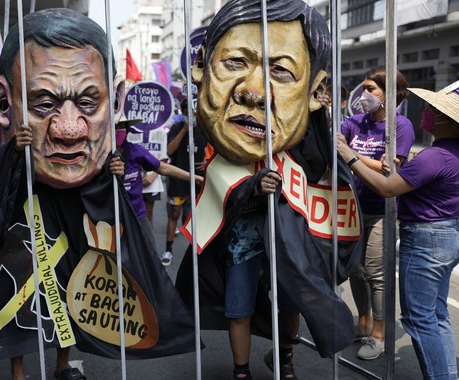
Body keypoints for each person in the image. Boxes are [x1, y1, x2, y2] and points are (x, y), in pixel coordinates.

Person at [0, 8, 195, 380]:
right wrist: (16, 152)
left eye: (87, 103)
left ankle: (63, 364)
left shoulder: (109, 154)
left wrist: (114, 176)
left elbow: (105, 192)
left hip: (73, 236)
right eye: (44, 104)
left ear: (114, 101)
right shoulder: (9, 150)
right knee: (13, 306)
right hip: (23, 236)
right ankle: (18, 370)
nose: (69, 130)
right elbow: (1, 185)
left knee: (70, 300)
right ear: (5, 103)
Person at [176, 0, 363, 378]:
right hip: (242, 246)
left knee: (293, 302)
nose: (255, 92)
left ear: (313, 90)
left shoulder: (300, 141)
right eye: (235, 63)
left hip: (289, 246)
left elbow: (321, 166)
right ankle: (241, 370)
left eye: (280, 70)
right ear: (201, 69)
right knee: (239, 307)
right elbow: (224, 197)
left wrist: (320, 116)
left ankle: (285, 358)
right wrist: (254, 189)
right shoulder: (222, 156)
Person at [337, 80, 459, 380]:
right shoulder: (447, 153)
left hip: (426, 239)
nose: (427, 113)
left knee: (419, 319)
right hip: (445, 235)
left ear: (446, 120)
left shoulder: (436, 156)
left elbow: (386, 188)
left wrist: (348, 155)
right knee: (436, 315)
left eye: (433, 109)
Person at [340, 66, 415, 360]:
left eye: (371, 88)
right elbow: (336, 147)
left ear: (389, 94)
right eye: (364, 88)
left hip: (381, 210)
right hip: (352, 207)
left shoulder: (401, 126)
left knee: (376, 273)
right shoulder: (354, 122)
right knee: (355, 271)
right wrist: (367, 160)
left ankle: (378, 334)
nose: (364, 94)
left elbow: (391, 169)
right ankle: (362, 321)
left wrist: (353, 156)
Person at [116, 119, 203, 222]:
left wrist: (194, 178)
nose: (118, 130)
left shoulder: (135, 150)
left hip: (137, 216)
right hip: (113, 218)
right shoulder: (99, 156)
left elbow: (164, 168)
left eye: (121, 126)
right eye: (115, 126)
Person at [163, 99, 207, 266]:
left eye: (194, 112)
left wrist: (207, 161)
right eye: (188, 112)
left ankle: (194, 254)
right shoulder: (176, 128)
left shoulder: (204, 130)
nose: (191, 116)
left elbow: (210, 151)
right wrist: (183, 130)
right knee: (174, 213)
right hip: (177, 180)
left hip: (197, 181)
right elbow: (168, 151)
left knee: (195, 217)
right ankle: (168, 250)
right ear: (183, 112)